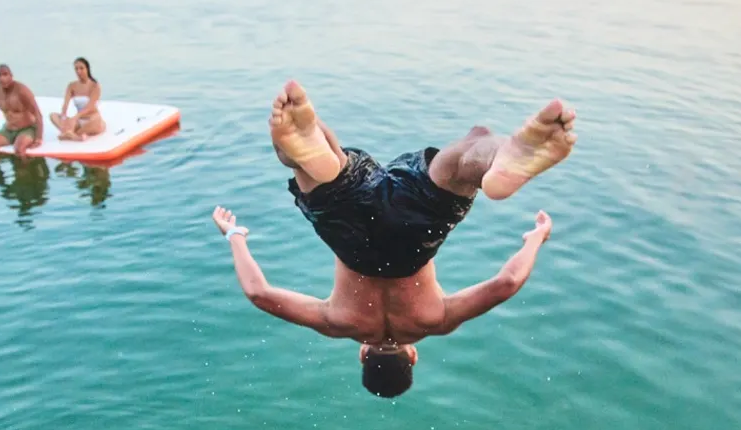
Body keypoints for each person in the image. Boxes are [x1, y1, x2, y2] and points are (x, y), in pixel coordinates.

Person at [211, 80, 576, 398]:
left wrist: (535, 238)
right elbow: (259, 293)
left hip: (415, 236)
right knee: (312, 166)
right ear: (362, 355)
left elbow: (506, 283)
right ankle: (310, 148)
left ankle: (497, 157)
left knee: (468, 153)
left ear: (412, 355)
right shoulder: (337, 323)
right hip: (349, 237)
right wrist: (235, 235)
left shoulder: (436, 321)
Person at [0, 64, 45, 158]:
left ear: (11, 75)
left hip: (27, 129)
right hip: (8, 130)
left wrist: (39, 138)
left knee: (19, 149)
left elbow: (37, 114)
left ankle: (26, 171)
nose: (2, 78)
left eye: (5, 74)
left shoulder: (22, 90)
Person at [50, 57, 106, 141]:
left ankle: (71, 134)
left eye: (81, 68)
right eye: (76, 69)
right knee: (53, 116)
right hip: (78, 121)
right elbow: (65, 105)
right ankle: (72, 133)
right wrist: (64, 117)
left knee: (97, 123)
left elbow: (90, 107)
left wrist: (75, 117)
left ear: (87, 69)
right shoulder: (72, 85)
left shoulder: (94, 86)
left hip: (92, 118)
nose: (78, 71)